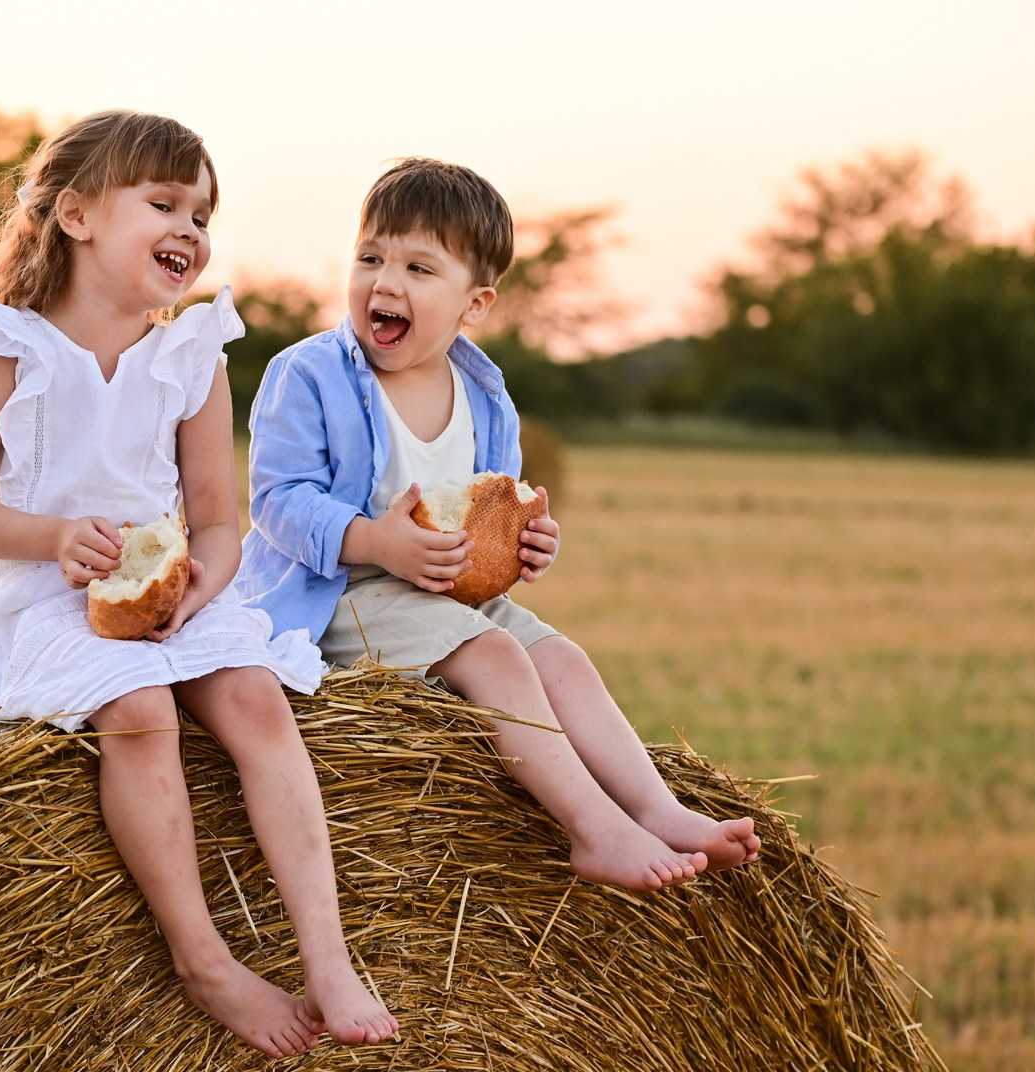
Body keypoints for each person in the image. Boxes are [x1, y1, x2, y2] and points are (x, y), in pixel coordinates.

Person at [0, 111, 396, 1057]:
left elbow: (217, 514)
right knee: (140, 711)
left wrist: (202, 581)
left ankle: (328, 955)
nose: (191, 231)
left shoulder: (192, 355)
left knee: (255, 700)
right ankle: (202, 957)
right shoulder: (6, 346)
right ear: (76, 215)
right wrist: (55, 538)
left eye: (203, 215)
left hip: (175, 595)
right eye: (163, 204)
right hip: (47, 593)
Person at [237, 158, 761, 891]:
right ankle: (595, 830)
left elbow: (499, 508)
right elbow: (277, 500)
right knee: (498, 657)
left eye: (419, 268)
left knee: (563, 658)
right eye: (370, 257)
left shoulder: (485, 397)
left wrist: (527, 546)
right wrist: (375, 539)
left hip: (449, 596)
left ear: (473, 304)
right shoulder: (309, 375)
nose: (384, 282)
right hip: (338, 590)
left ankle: (657, 807)